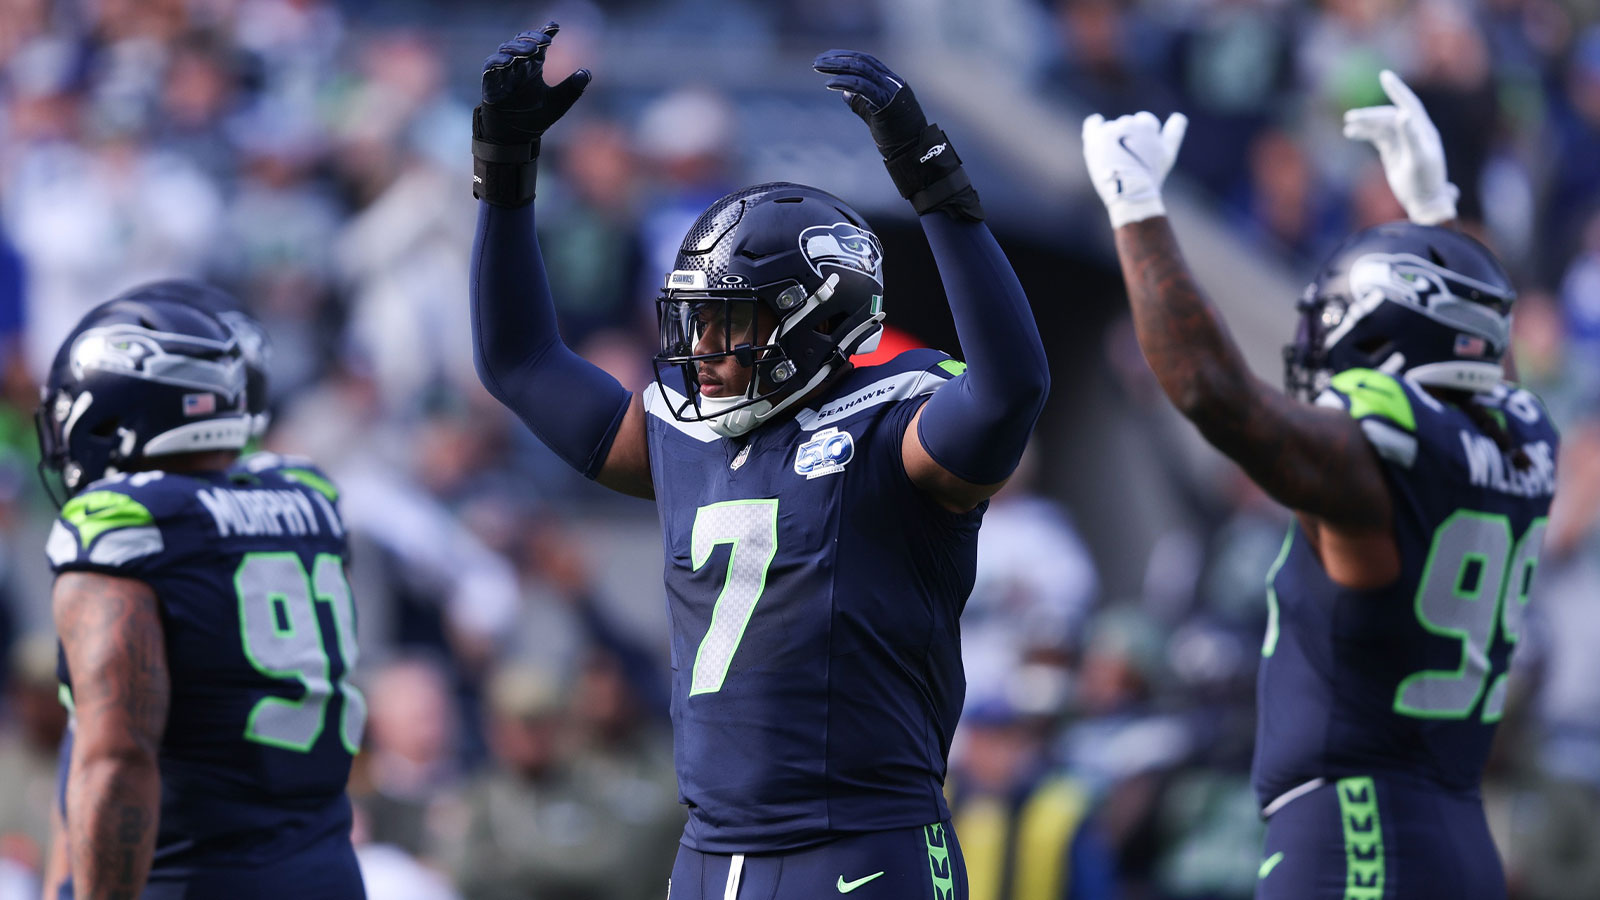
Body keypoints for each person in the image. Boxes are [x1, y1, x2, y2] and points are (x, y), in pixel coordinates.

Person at [469, 24, 1049, 900]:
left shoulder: (898, 423)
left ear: (817, 316)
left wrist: (932, 180)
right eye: (693, 320)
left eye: (726, 322)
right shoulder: (680, 432)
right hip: (709, 855)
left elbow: (1011, 390)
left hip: (862, 848)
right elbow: (519, 360)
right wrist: (504, 168)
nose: (699, 349)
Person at [1080, 72, 1557, 900]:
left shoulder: (1379, 458)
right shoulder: (1521, 436)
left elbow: (1213, 394)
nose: (1319, 351)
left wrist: (1135, 208)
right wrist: (1436, 209)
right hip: (1457, 833)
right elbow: (1485, 360)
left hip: (1354, 837)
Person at [37, 281, 364, 899]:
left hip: (189, 880)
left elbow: (114, 763)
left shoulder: (126, 525)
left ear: (109, 415)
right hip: (327, 874)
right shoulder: (307, 498)